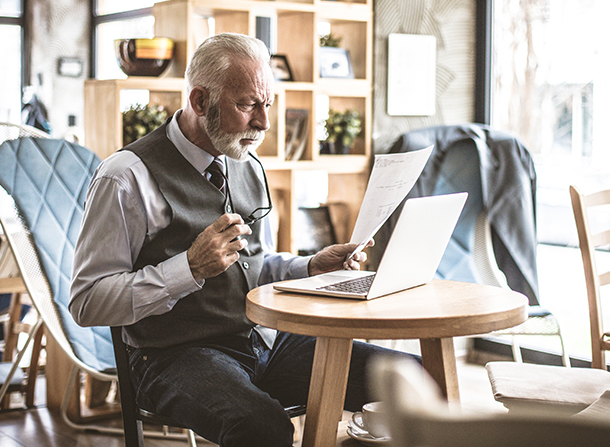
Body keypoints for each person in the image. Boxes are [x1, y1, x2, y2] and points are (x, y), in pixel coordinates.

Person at [70, 33, 414, 447]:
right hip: (170, 355)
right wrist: (189, 268)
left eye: (266, 104)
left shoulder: (245, 161)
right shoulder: (125, 177)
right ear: (199, 102)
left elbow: (254, 262)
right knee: (262, 427)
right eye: (247, 104)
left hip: (263, 339)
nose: (264, 123)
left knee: (413, 384)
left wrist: (310, 266)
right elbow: (87, 301)